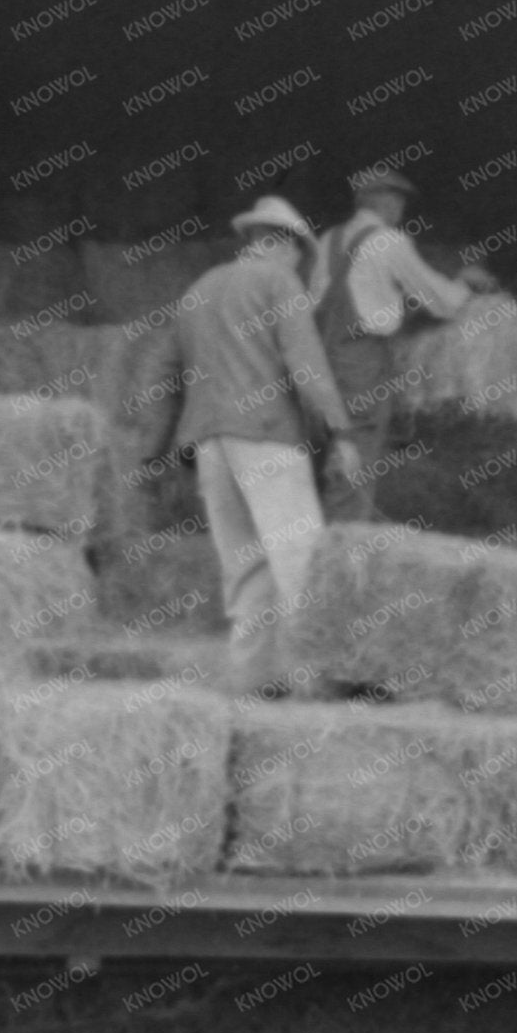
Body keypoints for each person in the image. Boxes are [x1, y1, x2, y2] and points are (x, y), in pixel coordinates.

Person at [139, 196, 362, 694]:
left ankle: (249, 682)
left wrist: (154, 450)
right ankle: (314, 683)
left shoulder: (199, 289)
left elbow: (160, 373)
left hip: (210, 444)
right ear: (282, 244)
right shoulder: (277, 282)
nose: (300, 265)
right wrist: (340, 430)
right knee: (300, 559)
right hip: (266, 436)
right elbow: (305, 364)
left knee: (245, 568)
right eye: (300, 254)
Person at [308, 164, 499, 519]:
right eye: (399, 202)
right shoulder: (389, 242)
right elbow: (440, 301)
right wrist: (464, 283)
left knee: (330, 445)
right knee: (358, 447)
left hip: (319, 358)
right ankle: (343, 547)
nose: (401, 211)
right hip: (360, 359)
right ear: (386, 203)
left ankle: (316, 538)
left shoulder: (327, 240)